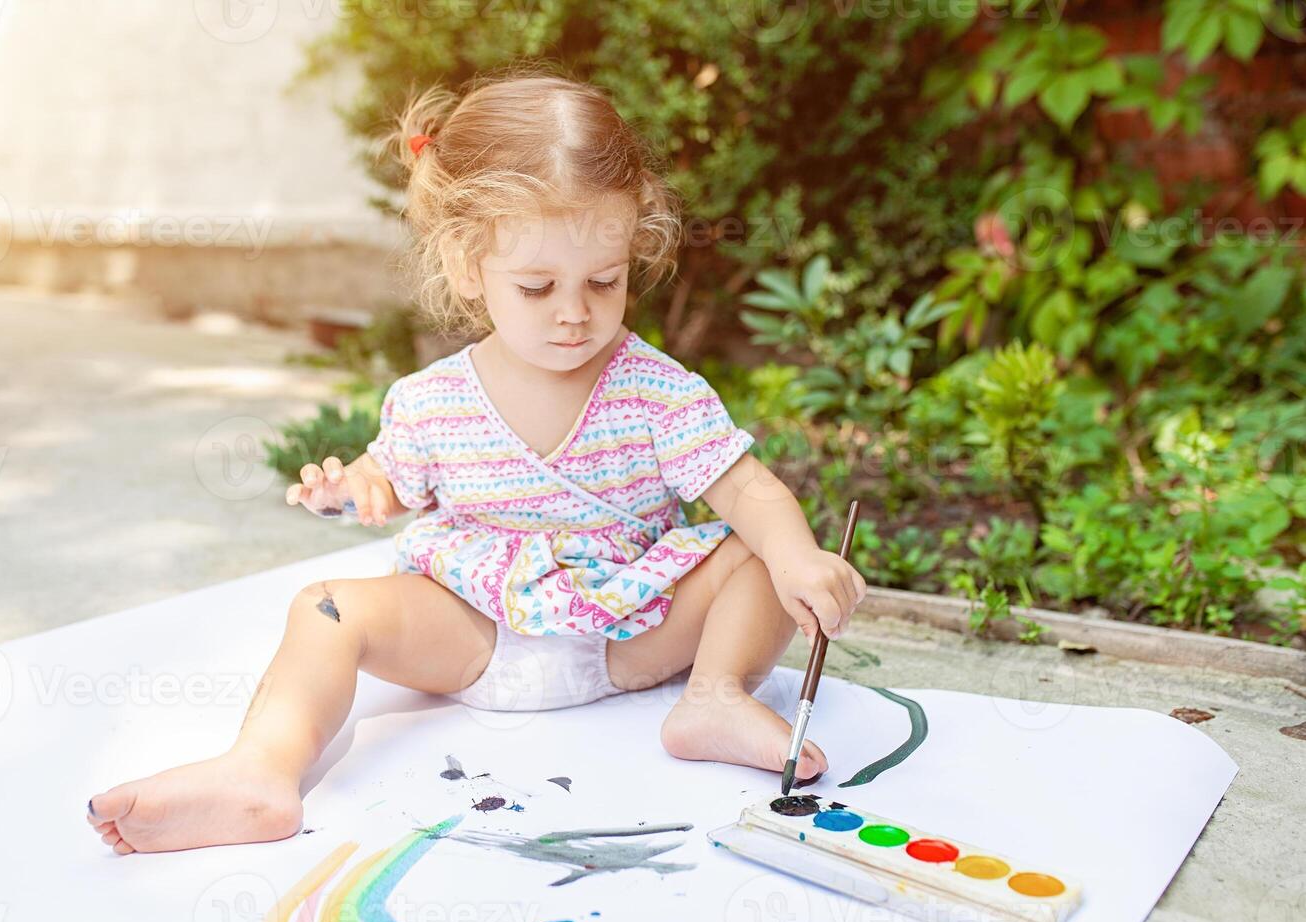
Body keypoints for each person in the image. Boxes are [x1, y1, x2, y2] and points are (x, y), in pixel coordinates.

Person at [86, 72, 865, 855]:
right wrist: (355, 487)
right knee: (323, 607)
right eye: (536, 287)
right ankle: (259, 772)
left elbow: (748, 488)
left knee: (759, 554)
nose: (575, 311)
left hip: (636, 635)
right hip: (474, 634)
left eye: (605, 281)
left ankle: (714, 698)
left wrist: (797, 558)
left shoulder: (658, 390)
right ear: (467, 267)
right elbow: (387, 481)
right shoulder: (433, 401)